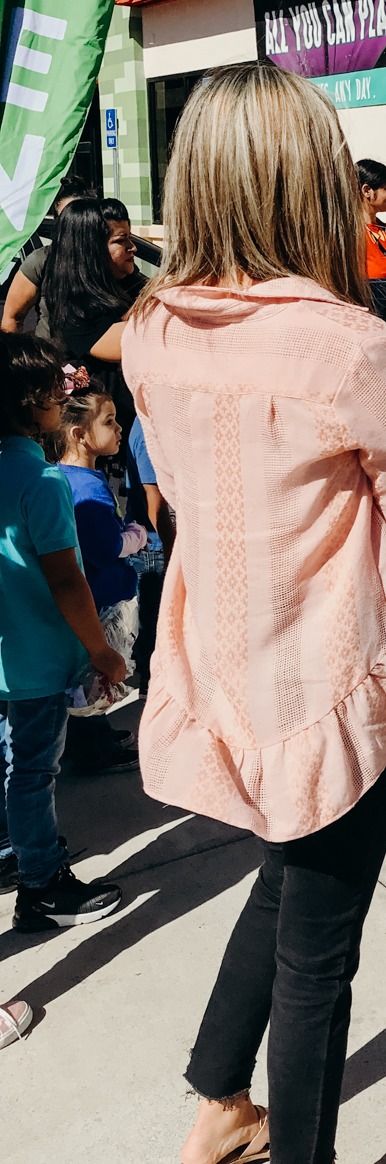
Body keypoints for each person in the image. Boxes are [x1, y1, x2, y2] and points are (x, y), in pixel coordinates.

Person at [121, 63, 386, 1164]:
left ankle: (219, 1107)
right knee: (322, 939)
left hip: (225, 669)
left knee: (284, 878)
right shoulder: (351, 344)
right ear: (310, 182)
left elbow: (178, 484)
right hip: (333, 680)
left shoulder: (152, 327)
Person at [0, 334, 126, 932]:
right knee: (33, 772)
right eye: (55, 389)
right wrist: (103, 652)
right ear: (33, 402)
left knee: (11, 766)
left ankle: (21, 852)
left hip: (7, 657)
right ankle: (42, 884)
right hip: (39, 662)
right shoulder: (43, 481)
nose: (61, 396)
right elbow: (68, 583)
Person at [57, 388, 146, 775]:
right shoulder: (88, 487)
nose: (119, 428)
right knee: (99, 676)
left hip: (92, 597)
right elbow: (104, 548)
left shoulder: (65, 476)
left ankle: (94, 738)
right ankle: (94, 751)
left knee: (88, 675)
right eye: (109, 422)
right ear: (79, 434)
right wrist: (136, 537)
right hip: (103, 599)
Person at [40, 196, 146, 434]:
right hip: (104, 437)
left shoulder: (130, 284)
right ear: (91, 248)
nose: (133, 247)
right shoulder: (76, 306)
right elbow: (132, 343)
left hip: (136, 425)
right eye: (120, 240)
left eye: (130, 237)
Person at [1, 177, 95, 337]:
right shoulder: (41, 261)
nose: (72, 223)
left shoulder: (110, 258)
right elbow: (12, 319)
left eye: (79, 216)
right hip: (50, 352)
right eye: (65, 218)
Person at [124, 415, 175, 685]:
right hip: (155, 549)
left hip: (158, 545)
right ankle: (151, 687)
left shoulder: (153, 424)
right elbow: (155, 500)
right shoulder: (147, 431)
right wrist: (173, 552)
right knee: (155, 630)